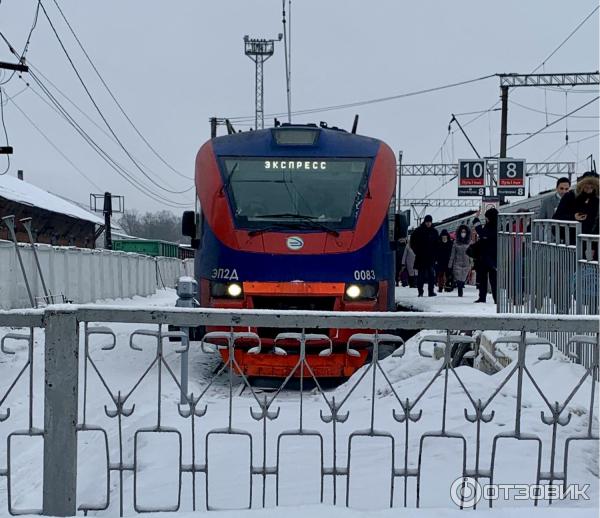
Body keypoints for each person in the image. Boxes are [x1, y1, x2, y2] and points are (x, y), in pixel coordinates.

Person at [410, 215, 439, 297]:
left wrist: (435, 255)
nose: (428, 223)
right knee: (421, 276)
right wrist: (417, 251)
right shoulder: (418, 231)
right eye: (427, 222)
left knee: (431, 276)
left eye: (430, 222)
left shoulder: (434, 232)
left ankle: (431, 291)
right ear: (425, 222)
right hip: (421, 257)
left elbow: (437, 244)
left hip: (430, 258)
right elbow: (412, 242)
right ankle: (420, 291)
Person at [474, 208, 498, 303]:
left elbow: (482, 233)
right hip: (488, 258)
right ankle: (485, 297)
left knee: (491, 280)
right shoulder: (494, 226)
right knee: (487, 279)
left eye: (487, 217)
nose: (486, 219)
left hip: (490, 258)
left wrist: (476, 219)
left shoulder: (492, 228)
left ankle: (489, 298)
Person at [448, 224, 471, 297]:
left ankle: (460, 288)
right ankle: (460, 291)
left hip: (466, 264)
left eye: (464, 232)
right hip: (457, 263)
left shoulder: (469, 242)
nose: (463, 233)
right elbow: (452, 255)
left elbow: (472, 254)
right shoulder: (456, 242)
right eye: (462, 232)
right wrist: (450, 265)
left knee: (463, 279)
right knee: (458, 279)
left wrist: (472, 263)